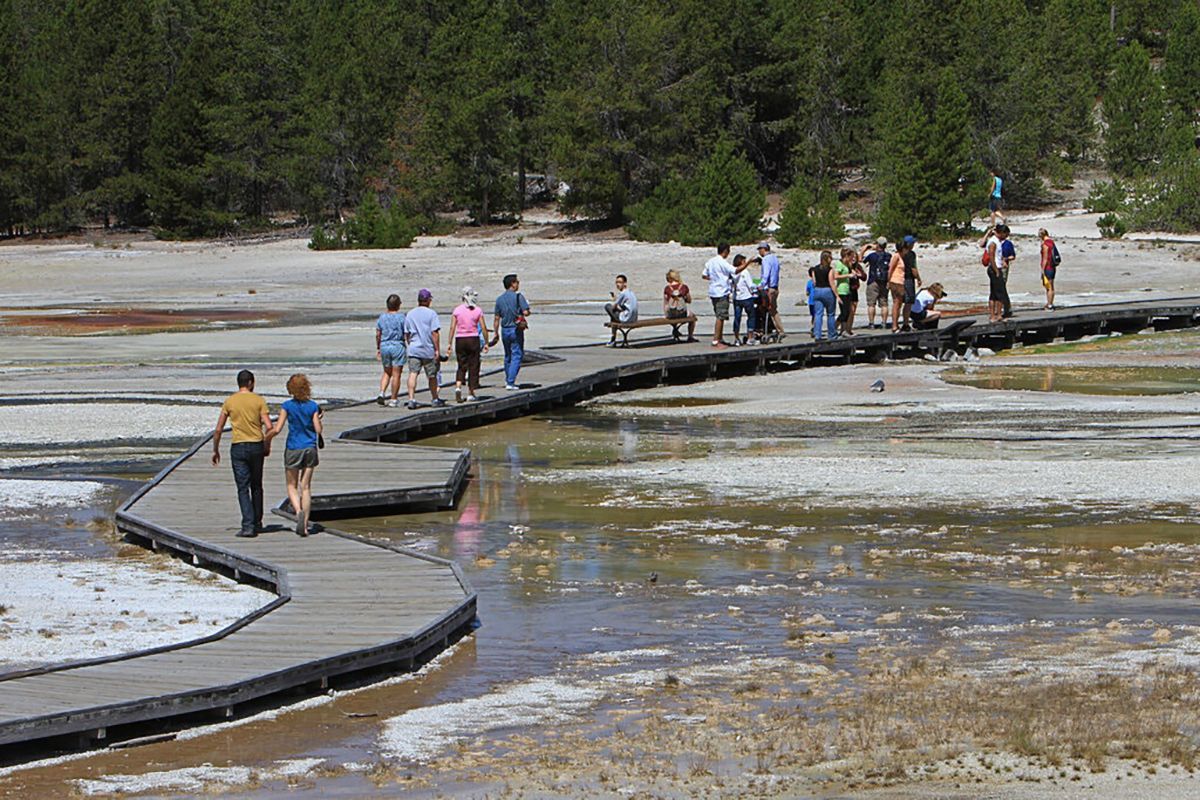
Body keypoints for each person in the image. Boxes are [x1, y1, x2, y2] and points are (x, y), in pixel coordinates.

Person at [211, 369, 275, 538]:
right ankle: (257, 522)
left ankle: (248, 526)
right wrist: (267, 444)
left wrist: (215, 449)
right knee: (256, 485)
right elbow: (270, 427)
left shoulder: (230, 401)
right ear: (251, 383)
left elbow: (218, 430)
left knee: (242, 487)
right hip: (256, 445)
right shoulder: (259, 400)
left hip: (238, 446)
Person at [271, 373, 323, 537]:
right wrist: (319, 418)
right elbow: (318, 430)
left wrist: (267, 437)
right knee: (305, 487)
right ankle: (305, 525)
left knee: (291, 486)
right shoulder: (313, 406)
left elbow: (278, 428)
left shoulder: (287, 406)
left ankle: (298, 511)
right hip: (310, 448)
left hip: (293, 447)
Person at [404, 288, 447, 409]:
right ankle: (434, 398)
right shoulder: (431, 314)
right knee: (432, 376)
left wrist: (410, 343)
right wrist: (437, 349)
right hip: (428, 349)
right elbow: (435, 333)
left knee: (413, 373)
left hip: (414, 348)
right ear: (428, 300)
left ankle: (411, 399)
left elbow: (406, 333)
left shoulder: (410, 313)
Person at [451, 287, 490, 402]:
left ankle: (458, 386)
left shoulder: (457, 310)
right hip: (473, 338)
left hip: (460, 339)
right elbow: (483, 327)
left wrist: (449, 342)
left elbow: (453, 327)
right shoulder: (477, 310)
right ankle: (470, 392)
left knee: (461, 365)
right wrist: (487, 342)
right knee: (473, 366)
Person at [492, 273, 530, 390]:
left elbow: (497, 318)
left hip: (504, 330)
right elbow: (526, 312)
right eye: (517, 282)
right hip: (515, 329)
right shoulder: (518, 297)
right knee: (517, 355)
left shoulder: (499, 299)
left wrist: (496, 333)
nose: (518, 284)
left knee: (508, 355)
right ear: (512, 284)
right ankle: (510, 381)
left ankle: (509, 379)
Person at [702, 244, 736, 347]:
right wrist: (747, 263)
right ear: (725, 251)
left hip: (713, 292)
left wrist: (713, 279)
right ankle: (716, 340)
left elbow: (704, 275)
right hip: (721, 292)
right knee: (720, 316)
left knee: (719, 315)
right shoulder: (722, 262)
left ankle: (720, 338)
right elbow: (735, 270)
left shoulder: (711, 261)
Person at [375, 294, 406, 407]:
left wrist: (378, 347)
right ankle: (393, 399)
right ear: (398, 305)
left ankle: (382, 393)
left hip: (385, 345)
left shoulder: (382, 317)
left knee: (387, 372)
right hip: (397, 345)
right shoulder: (402, 317)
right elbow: (406, 332)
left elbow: (378, 334)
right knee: (396, 374)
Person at [888, 236, 921, 332]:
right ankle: (904, 323)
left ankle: (899, 324)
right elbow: (913, 268)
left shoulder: (901, 254)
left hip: (902, 279)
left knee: (901, 302)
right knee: (906, 302)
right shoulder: (909, 254)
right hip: (906, 279)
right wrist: (918, 278)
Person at [860, 237, 891, 329]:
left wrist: (865, 248)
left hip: (873, 281)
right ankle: (884, 323)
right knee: (884, 304)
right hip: (884, 281)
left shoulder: (872, 256)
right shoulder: (888, 256)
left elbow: (860, 259)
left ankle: (871, 323)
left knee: (871, 304)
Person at [756, 242, 784, 336]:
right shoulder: (774, 258)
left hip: (769, 289)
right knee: (773, 310)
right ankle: (778, 330)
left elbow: (766, 275)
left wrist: (761, 286)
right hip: (775, 287)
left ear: (763, 249)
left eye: (759, 250)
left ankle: (777, 330)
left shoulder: (766, 259)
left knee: (769, 310)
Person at [982, 225, 1008, 323]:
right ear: (1001, 233)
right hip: (994, 269)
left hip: (996, 267)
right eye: (1005, 235)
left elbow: (998, 256)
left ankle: (995, 315)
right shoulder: (993, 242)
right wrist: (996, 270)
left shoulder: (997, 241)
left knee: (994, 293)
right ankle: (997, 315)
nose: (1005, 237)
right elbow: (991, 257)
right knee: (999, 293)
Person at [663, 269, 697, 342]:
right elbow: (689, 300)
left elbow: (665, 303)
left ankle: (675, 330)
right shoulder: (684, 287)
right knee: (693, 317)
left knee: (672, 315)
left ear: (669, 279)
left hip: (671, 314)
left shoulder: (667, 288)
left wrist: (666, 314)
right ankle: (690, 336)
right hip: (682, 313)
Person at [811, 250, 838, 340]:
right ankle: (832, 334)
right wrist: (837, 295)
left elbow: (814, 282)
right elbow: (832, 283)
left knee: (818, 314)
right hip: (827, 290)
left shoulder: (815, 269)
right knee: (830, 314)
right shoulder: (830, 269)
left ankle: (817, 334)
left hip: (817, 290)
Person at [731, 254, 758, 346]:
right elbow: (750, 285)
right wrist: (756, 288)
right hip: (746, 297)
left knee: (737, 318)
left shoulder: (733, 272)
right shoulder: (745, 272)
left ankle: (736, 338)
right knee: (751, 316)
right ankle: (750, 338)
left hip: (736, 298)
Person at [605, 274, 638, 345]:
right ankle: (613, 339)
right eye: (616, 282)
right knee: (614, 315)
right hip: (634, 318)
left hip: (626, 319)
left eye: (620, 282)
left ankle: (613, 339)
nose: (617, 284)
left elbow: (614, 307)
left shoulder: (622, 293)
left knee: (608, 306)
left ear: (625, 283)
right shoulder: (631, 293)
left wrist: (615, 301)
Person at [996, 223, 1016, 318]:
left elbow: (1013, 256)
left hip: (1004, 267)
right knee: (997, 288)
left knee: (1001, 287)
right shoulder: (995, 242)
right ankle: (1002, 308)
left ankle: (1006, 308)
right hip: (996, 266)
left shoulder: (1008, 244)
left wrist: (1006, 258)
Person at [833, 248, 853, 336]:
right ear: (846, 256)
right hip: (841, 290)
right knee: (843, 312)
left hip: (847, 290)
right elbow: (836, 276)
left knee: (847, 311)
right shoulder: (839, 264)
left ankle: (843, 330)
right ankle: (833, 327)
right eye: (850, 256)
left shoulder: (846, 265)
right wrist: (848, 275)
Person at [1039, 228, 1057, 310]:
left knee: (1048, 287)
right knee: (1050, 286)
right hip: (1052, 267)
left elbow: (1045, 258)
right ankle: (1049, 302)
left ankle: (1050, 304)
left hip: (1048, 267)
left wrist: (1042, 269)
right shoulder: (1052, 242)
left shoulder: (1045, 244)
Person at [805, 267, 817, 337]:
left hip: (814, 301)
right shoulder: (810, 282)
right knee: (814, 316)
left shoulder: (815, 282)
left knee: (815, 315)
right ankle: (813, 327)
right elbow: (807, 292)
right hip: (812, 302)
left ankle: (814, 328)